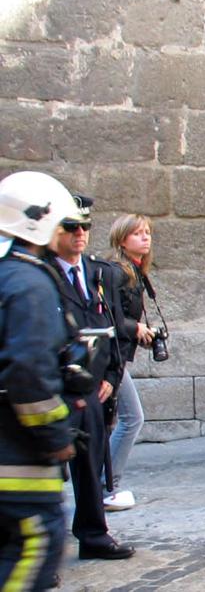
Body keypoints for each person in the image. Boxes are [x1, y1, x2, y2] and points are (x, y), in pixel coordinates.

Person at [0, 171, 81, 590]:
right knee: (35, 548)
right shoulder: (29, 283)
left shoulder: (6, 275)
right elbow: (28, 371)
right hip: (17, 461)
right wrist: (55, 435)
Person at [45, 194, 135, 562]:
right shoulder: (41, 275)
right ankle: (46, 551)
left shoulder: (101, 274)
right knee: (49, 470)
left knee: (91, 463)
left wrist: (112, 377)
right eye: (71, 227)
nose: (80, 234)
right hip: (57, 388)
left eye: (85, 227)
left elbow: (114, 330)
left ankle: (93, 533)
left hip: (94, 388)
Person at [101, 214, 156, 511]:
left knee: (113, 422)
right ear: (122, 239)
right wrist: (135, 328)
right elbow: (109, 316)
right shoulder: (117, 273)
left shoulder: (134, 272)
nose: (145, 238)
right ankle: (107, 487)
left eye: (147, 233)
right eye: (137, 234)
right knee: (132, 418)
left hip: (118, 356)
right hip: (111, 358)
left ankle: (104, 485)